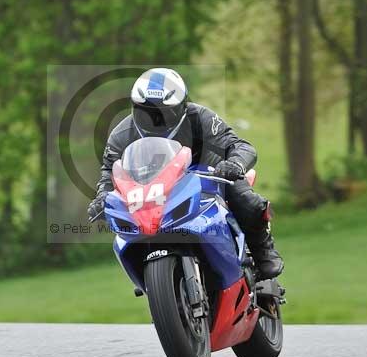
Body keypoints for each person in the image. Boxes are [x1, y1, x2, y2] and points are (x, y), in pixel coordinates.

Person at [88, 68, 283, 279]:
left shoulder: (200, 117)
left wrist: (234, 164)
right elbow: (109, 170)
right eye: (146, 112)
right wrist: (102, 196)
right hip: (155, 188)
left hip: (209, 176)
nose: (155, 119)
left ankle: (264, 251)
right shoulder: (122, 133)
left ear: (181, 107)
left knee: (246, 199)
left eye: (163, 113)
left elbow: (240, 146)